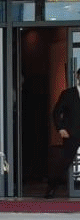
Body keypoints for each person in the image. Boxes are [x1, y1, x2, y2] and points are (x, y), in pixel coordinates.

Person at [47, 68, 80, 198]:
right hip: (72, 134)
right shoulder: (68, 93)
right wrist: (61, 128)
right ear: (77, 76)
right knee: (64, 163)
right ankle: (51, 188)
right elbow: (56, 112)